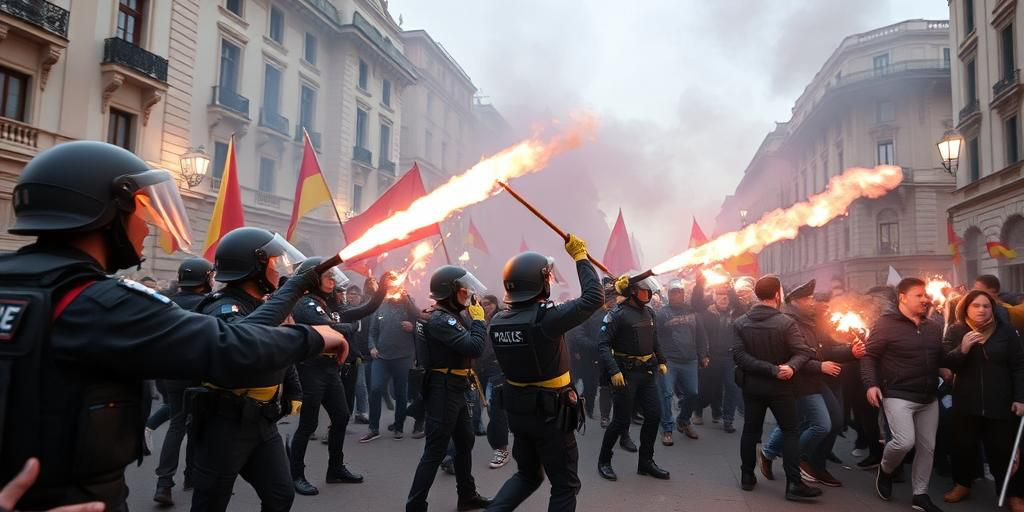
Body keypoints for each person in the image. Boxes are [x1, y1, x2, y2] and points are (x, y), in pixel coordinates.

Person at [0, 141, 345, 511]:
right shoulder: (104, 303)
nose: (147, 227)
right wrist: (313, 335)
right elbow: (231, 349)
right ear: (108, 211)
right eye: (141, 210)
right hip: (78, 497)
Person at [189, 227, 327, 512]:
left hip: (263, 423)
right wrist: (294, 288)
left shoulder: (260, 307)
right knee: (210, 503)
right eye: (274, 262)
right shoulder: (224, 308)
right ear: (255, 267)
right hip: (225, 425)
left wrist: (293, 390)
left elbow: (277, 352)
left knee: (280, 495)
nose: (278, 270)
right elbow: (241, 340)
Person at [486, 236, 603, 511]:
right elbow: (593, 298)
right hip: (550, 415)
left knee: (528, 475)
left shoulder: (498, 320)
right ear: (540, 282)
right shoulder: (545, 319)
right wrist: (581, 257)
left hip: (518, 410)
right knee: (565, 486)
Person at [758, 280, 862, 488]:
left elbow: (826, 350)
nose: (812, 301)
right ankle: (798, 459)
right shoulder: (787, 322)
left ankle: (781, 455)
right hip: (798, 382)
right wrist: (819, 366)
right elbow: (791, 357)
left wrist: (851, 352)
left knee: (831, 421)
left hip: (815, 381)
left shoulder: (812, 321)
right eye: (807, 298)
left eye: (812, 297)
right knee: (816, 424)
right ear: (794, 301)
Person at [406, 265, 492, 512]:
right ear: (450, 292)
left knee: (464, 442)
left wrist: (470, 315)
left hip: (455, 386)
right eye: (463, 289)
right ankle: (415, 506)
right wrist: (479, 320)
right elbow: (474, 348)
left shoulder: (446, 314)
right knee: (435, 450)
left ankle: (467, 496)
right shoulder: (441, 319)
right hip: (444, 389)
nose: (468, 292)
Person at [731, 275, 820, 502]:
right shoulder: (786, 323)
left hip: (752, 386)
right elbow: (803, 352)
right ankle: (794, 484)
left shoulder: (740, 322)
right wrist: (787, 368)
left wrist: (772, 369)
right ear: (777, 295)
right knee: (790, 431)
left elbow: (740, 356)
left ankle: (747, 476)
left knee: (751, 430)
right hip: (781, 387)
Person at [861, 277, 946, 512]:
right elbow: (869, 356)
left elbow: (941, 357)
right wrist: (871, 384)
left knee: (927, 448)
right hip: (898, 393)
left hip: (928, 397)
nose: (925, 299)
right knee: (904, 441)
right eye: (919, 295)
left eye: (926, 295)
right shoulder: (885, 324)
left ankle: (920, 494)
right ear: (903, 297)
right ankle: (886, 469)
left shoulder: (933, 327)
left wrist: (962, 352)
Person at [941, 289, 1024, 510]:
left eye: (986, 306)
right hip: (966, 402)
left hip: (1000, 402)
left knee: (1003, 450)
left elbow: (1019, 366)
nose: (981, 310)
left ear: (992, 308)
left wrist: (1020, 398)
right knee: (963, 446)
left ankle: (1013, 493)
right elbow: (947, 362)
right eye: (976, 305)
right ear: (966, 308)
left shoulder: (1006, 331)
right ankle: (962, 484)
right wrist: (962, 349)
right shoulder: (957, 330)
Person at [152, 257, 216, 504]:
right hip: (199, 374)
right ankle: (192, 476)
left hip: (171, 374)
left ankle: (164, 483)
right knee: (198, 426)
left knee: (177, 425)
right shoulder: (209, 303)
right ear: (205, 279)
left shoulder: (166, 302)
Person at [597, 274, 671, 482]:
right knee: (620, 421)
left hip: (647, 373)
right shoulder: (616, 315)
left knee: (654, 416)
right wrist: (614, 370)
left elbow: (654, 340)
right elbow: (603, 345)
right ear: (632, 291)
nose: (649, 294)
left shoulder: (649, 312)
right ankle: (604, 461)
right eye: (644, 290)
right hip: (625, 374)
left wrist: (662, 360)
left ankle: (646, 462)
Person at [654, 279, 709, 444]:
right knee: (666, 394)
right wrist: (658, 358)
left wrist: (704, 355)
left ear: (684, 294)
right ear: (669, 294)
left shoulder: (692, 312)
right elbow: (654, 338)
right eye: (673, 292)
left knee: (692, 393)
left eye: (679, 292)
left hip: (690, 360)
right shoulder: (661, 314)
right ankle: (667, 429)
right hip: (669, 361)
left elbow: (701, 335)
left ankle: (683, 421)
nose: (677, 295)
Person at [362, 286, 419, 442]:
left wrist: (413, 327)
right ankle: (373, 428)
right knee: (375, 388)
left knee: (400, 392)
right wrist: (372, 347)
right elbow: (372, 331)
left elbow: (423, 327)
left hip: (403, 357)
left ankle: (398, 427)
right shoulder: (381, 306)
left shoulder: (410, 306)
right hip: (381, 357)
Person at [693, 275, 743, 433]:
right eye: (720, 295)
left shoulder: (735, 313)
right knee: (707, 387)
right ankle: (698, 410)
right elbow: (696, 303)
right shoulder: (707, 312)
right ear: (714, 297)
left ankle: (728, 420)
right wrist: (700, 283)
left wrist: (730, 286)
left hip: (730, 357)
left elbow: (738, 303)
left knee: (732, 387)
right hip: (711, 356)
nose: (724, 298)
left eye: (726, 296)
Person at [473, 294, 512, 469]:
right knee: (473, 407)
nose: (485, 307)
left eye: (488, 304)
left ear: (495, 304)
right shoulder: (479, 320)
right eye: (482, 304)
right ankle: (452, 454)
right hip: (479, 369)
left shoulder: (502, 318)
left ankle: (501, 449)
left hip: (497, 369)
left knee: (494, 408)